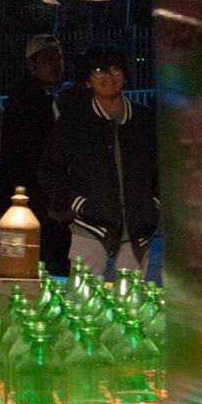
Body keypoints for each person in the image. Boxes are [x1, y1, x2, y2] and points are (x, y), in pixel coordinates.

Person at [38, 46, 159, 279]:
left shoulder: (144, 119)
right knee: (83, 302)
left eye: (115, 69)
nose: (108, 76)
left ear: (125, 75)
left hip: (136, 228)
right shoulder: (75, 121)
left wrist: (154, 204)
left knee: (131, 305)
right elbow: (49, 170)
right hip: (89, 226)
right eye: (99, 70)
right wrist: (77, 203)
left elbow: (163, 170)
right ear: (88, 79)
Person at [0, 33, 71, 275]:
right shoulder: (29, 102)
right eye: (49, 59)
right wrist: (47, 203)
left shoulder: (42, 98)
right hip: (34, 206)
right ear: (32, 64)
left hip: (33, 203)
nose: (57, 64)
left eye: (59, 58)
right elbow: (27, 159)